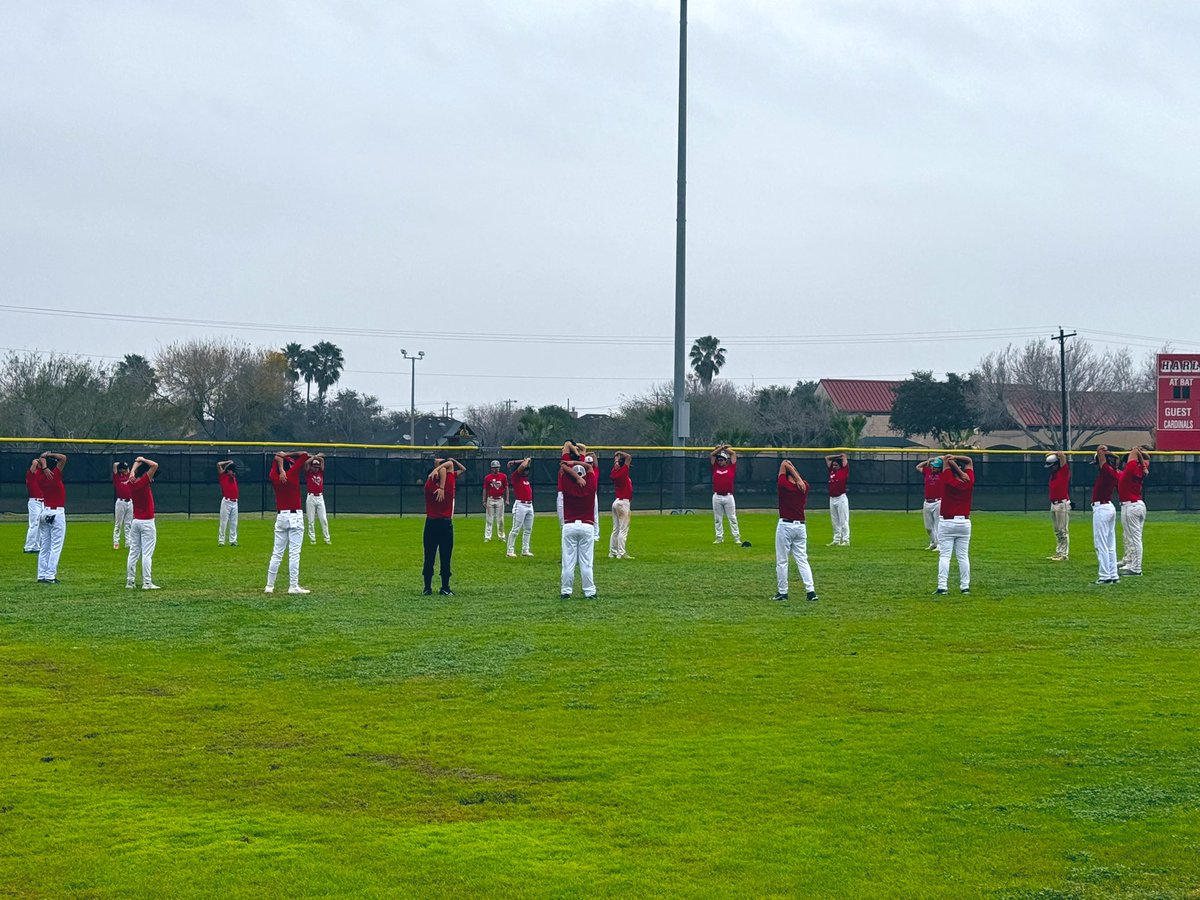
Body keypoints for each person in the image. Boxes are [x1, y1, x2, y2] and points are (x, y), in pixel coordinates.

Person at [772, 459, 818, 603]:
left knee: (782, 561)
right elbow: (793, 473)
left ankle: (783, 592)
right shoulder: (804, 486)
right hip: (800, 527)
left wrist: (787, 464)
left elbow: (783, 465)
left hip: (785, 525)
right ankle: (811, 591)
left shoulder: (783, 485)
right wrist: (794, 471)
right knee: (802, 559)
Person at [265, 450, 311, 594]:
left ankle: (269, 586)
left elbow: (276, 457)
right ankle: (293, 586)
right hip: (295, 516)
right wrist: (288, 454)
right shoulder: (292, 474)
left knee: (277, 553)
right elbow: (304, 454)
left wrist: (280, 466)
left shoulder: (274, 477)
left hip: (281, 516)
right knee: (294, 553)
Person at [423, 457, 465, 595]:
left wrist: (435, 468)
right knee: (445, 558)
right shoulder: (448, 486)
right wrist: (439, 469)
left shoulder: (428, 486)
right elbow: (449, 465)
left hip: (431, 524)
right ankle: (445, 588)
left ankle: (427, 588)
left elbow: (442, 467)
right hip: (445, 524)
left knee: (429, 557)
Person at [935, 454, 974, 596]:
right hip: (964, 523)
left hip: (947, 522)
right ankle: (965, 587)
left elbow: (945, 460)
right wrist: (955, 459)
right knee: (963, 556)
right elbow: (969, 460)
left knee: (945, 556)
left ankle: (942, 587)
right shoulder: (969, 480)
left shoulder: (948, 480)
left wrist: (949, 460)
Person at [560, 458, 599, 599]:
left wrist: (572, 469)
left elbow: (562, 466)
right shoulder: (590, 485)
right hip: (587, 526)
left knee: (568, 562)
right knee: (586, 562)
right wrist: (578, 471)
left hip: (569, 525)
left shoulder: (567, 484)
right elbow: (590, 468)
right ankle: (590, 592)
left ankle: (566, 591)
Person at [125, 456, 160, 590]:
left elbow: (131, 474)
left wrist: (135, 466)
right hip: (147, 522)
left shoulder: (131, 483)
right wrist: (143, 459)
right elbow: (154, 465)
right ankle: (147, 582)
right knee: (147, 554)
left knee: (133, 552)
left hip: (136, 522)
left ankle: (130, 581)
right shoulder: (143, 482)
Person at [34, 451, 68, 584]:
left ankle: (41, 574)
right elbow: (63, 458)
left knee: (45, 546)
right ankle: (50, 575)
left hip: (45, 511)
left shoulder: (39, 476)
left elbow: (37, 463)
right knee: (56, 546)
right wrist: (49, 454)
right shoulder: (54, 475)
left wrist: (43, 463)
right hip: (57, 513)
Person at [1090, 445, 1121, 585]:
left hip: (1101, 508)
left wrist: (1102, 450)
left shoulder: (1106, 470)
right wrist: (1111, 454)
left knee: (1101, 544)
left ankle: (1104, 576)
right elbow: (1117, 458)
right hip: (1108, 507)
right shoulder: (1114, 471)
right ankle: (1113, 574)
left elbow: (1100, 454)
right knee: (1110, 544)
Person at [1118, 446, 1150, 577]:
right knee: (1133, 537)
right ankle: (1131, 562)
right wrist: (1143, 463)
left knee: (1134, 539)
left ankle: (1136, 568)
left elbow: (1135, 452)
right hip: (1138, 504)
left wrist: (1136, 450)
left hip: (1130, 506)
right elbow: (1145, 459)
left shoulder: (1131, 469)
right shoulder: (1139, 469)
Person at [710, 443, 749, 547]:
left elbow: (733, 454)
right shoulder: (715, 468)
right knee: (718, 519)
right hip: (717, 496)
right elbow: (712, 455)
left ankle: (737, 538)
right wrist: (720, 448)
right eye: (719, 460)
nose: (719, 461)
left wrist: (725, 448)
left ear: (726, 460)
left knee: (732, 518)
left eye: (721, 460)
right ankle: (719, 538)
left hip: (728, 496)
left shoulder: (731, 468)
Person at [506, 457, 535, 558]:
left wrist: (514, 461)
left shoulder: (525, 479)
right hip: (520, 505)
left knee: (528, 529)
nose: (526, 471)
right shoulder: (516, 476)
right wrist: (520, 462)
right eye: (525, 470)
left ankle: (525, 550)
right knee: (516, 529)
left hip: (529, 505)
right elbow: (523, 465)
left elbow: (528, 460)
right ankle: (510, 550)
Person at [1045, 452, 1071, 561]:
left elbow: (1062, 455)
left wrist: (1054, 453)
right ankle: (1059, 551)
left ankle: (1064, 554)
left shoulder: (1063, 471)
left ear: (1056, 464)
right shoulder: (1053, 475)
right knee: (1057, 530)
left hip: (1062, 504)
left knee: (1062, 530)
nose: (1050, 469)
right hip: (1054, 504)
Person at [609, 450, 634, 559]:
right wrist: (619, 452)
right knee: (623, 530)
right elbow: (628, 457)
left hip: (616, 502)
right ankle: (621, 553)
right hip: (623, 503)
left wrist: (616, 459)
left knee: (616, 529)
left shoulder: (614, 473)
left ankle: (612, 552)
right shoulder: (623, 472)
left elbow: (616, 466)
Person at [915, 457, 943, 551]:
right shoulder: (928, 472)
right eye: (932, 466)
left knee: (938, 524)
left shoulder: (943, 474)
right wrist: (928, 461)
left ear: (940, 468)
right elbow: (918, 467)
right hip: (927, 502)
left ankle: (939, 544)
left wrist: (940, 459)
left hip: (938, 501)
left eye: (936, 467)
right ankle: (933, 542)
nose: (933, 468)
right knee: (928, 527)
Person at [305, 453, 331, 545]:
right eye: (314, 467)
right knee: (311, 520)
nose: (316, 468)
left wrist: (316, 457)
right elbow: (306, 463)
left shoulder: (320, 472)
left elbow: (322, 460)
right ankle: (312, 540)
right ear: (311, 467)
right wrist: (314, 457)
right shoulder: (308, 473)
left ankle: (327, 539)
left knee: (323, 519)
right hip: (311, 497)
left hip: (320, 497)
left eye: (317, 467)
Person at [826, 453, 850, 546]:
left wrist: (840, 456)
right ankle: (836, 540)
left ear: (840, 466)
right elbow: (827, 458)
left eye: (836, 465)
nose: (834, 466)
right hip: (832, 498)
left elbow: (844, 456)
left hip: (841, 498)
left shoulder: (843, 471)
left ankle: (846, 540)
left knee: (843, 520)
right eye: (833, 465)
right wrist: (836, 456)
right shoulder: (832, 472)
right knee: (835, 521)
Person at [482, 459, 509, 542]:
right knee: (489, 519)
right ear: (491, 468)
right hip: (490, 499)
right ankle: (487, 537)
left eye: (497, 467)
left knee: (500, 519)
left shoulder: (503, 476)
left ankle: (501, 536)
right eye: (494, 467)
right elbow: (485, 489)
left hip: (500, 499)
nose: (496, 469)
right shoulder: (488, 477)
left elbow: (506, 488)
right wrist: (484, 500)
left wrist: (507, 499)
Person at [217, 460, 239, 546]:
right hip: (226, 502)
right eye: (232, 471)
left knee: (234, 523)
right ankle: (221, 541)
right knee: (223, 522)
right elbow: (218, 464)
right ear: (229, 471)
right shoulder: (223, 476)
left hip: (235, 502)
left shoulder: (233, 478)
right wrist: (228, 462)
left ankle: (233, 541)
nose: (234, 473)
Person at [112, 461, 134, 550]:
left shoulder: (129, 476)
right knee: (118, 523)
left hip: (130, 502)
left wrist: (126, 466)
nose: (126, 470)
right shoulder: (117, 477)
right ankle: (116, 542)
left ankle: (128, 542)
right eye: (123, 469)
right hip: (121, 502)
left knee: (128, 524)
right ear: (120, 470)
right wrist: (120, 464)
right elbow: (114, 465)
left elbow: (130, 471)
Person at [24, 458, 43, 554]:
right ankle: (28, 546)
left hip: (43, 502)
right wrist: (35, 462)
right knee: (34, 524)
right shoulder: (30, 475)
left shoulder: (41, 475)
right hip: (34, 502)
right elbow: (32, 469)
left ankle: (36, 546)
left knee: (41, 524)